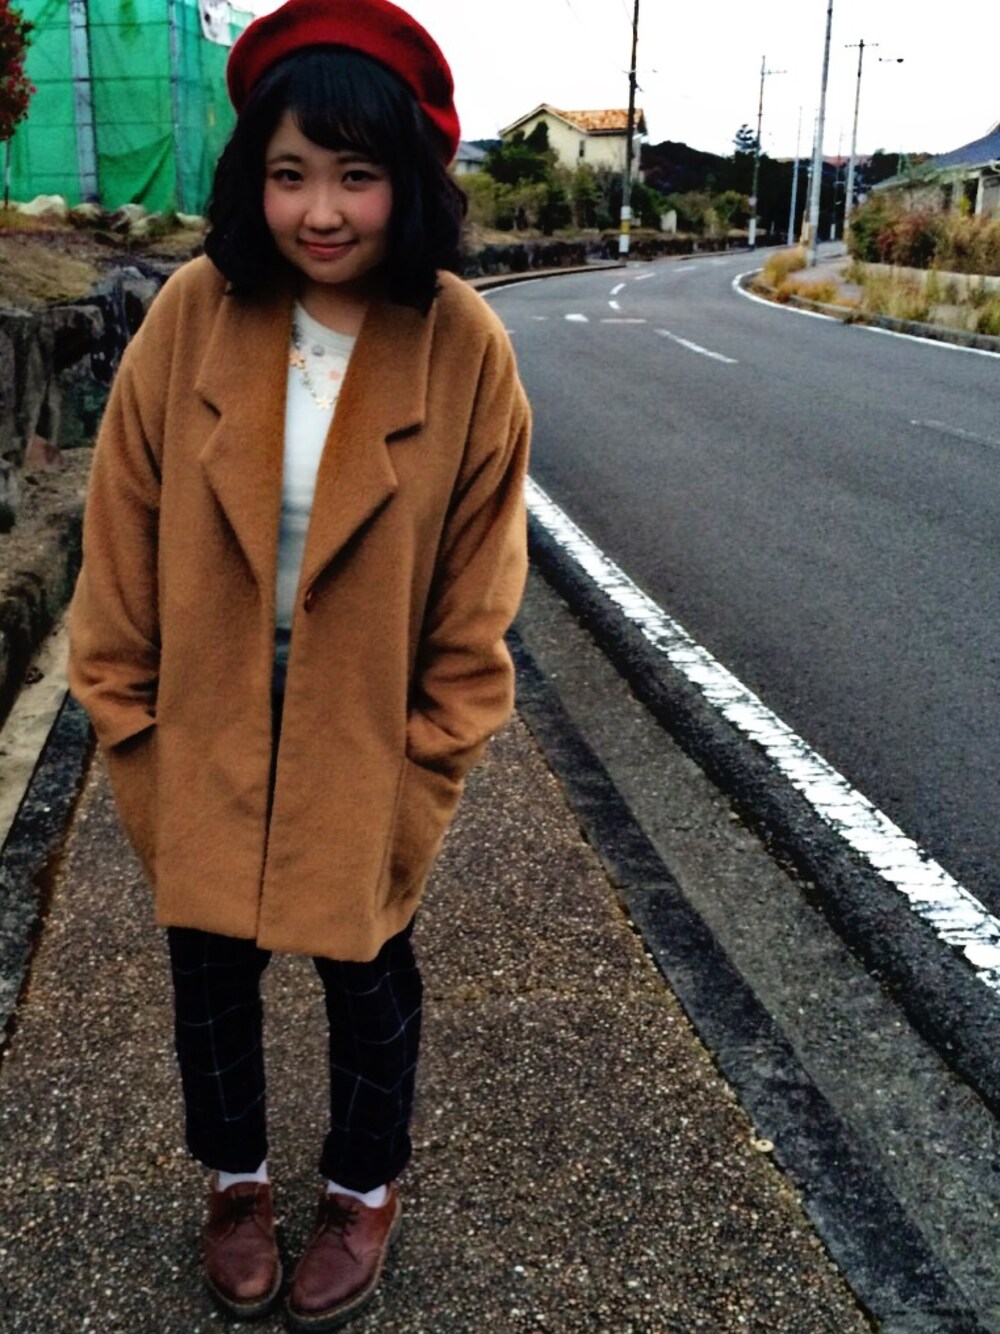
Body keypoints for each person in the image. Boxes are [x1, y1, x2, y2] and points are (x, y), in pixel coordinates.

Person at [67, 0, 530, 1326]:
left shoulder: (462, 344)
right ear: (250, 178)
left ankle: (362, 1189)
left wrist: (426, 765)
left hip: (363, 740)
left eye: (354, 174)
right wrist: (130, 726)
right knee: (210, 983)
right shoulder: (193, 318)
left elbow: (478, 594)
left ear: (409, 179)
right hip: (203, 726)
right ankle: (238, 1183)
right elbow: (119, 530)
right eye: (288, 173)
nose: (320, 211)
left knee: (370, 983)